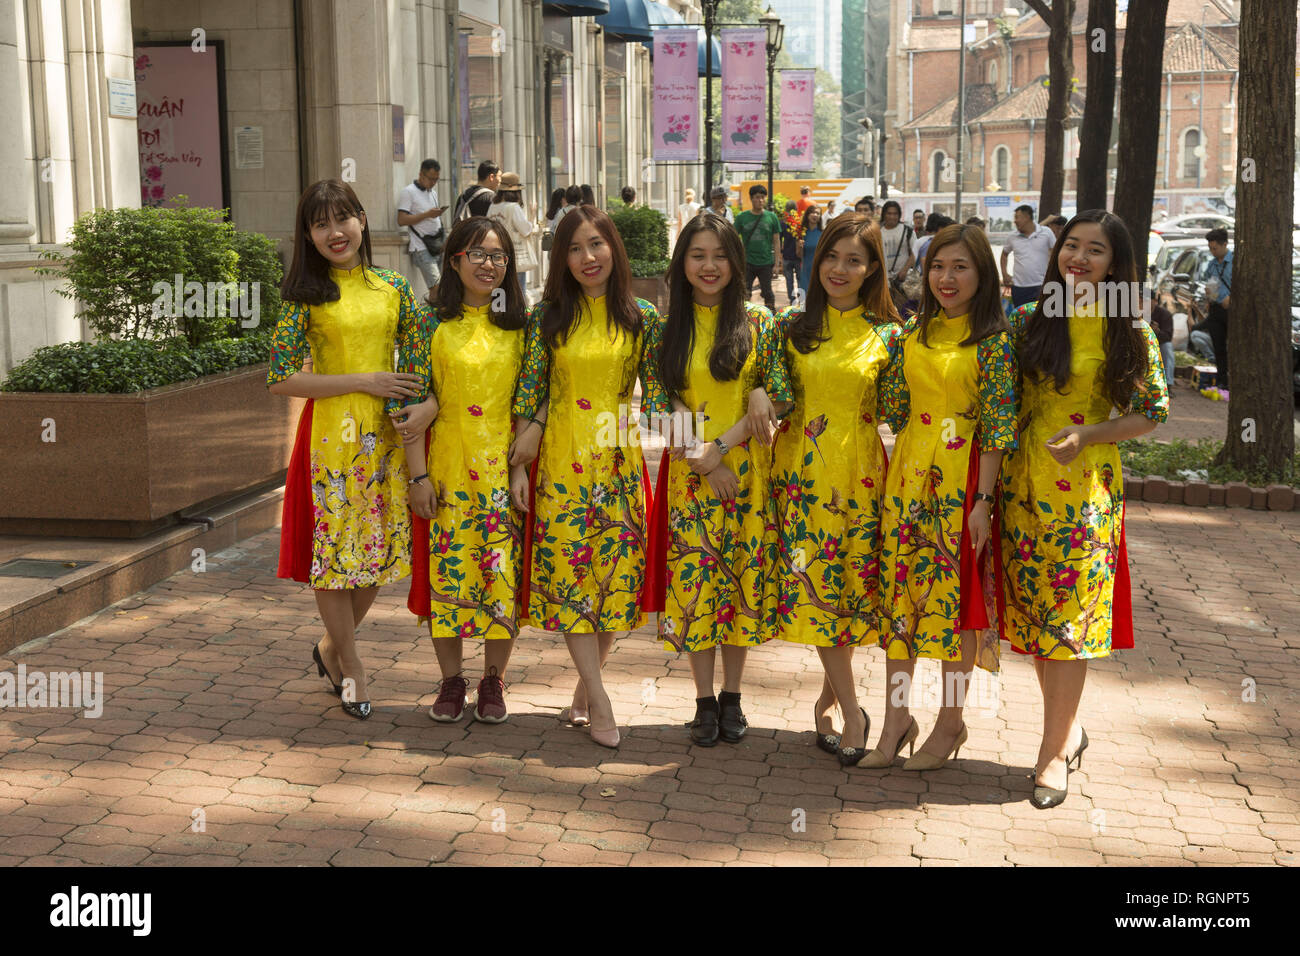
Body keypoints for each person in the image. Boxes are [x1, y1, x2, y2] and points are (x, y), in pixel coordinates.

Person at [999, 210, 1169, 809]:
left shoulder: (1131, 331)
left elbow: (1153, 411)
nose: (1079, 258)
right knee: (1041, 621)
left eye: (1095, 250)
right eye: (1071, 246)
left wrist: (1093, 434)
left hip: (1087, 496)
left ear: (1117, 264)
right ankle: (1067, 734)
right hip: (1023, 495)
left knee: (1071, 622)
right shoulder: (1027, 321)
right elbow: (998, 404)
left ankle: (1050, 757)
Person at [267, 179, 429, 720]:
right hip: (330, 444)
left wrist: (415, 406)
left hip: (385, 442)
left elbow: (420, 363)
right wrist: (364, 380)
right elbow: (281, 378)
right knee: (334, 560)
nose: (334, 232)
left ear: (362, 220)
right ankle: (354, 667)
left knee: (377, 556)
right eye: (321, 224)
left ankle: (330, 648)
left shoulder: (393, 288)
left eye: (343, 219)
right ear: (308, 236)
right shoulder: (304, 296)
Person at [508, 205, 659, 749]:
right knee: (572, 580)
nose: (587, 257)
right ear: (560, 259)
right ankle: (600, 699)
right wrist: (520, 464)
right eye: (574, 248)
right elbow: (530, 393)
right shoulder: (547, 317)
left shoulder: (641, 316)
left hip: (618, 461)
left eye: (595, 244)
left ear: (613, 248)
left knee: (617, 584)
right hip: (561, 465)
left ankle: (582, 689)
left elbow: (665, 395)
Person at [869, 223, 1018, 769]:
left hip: (961, 485)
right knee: (903, 603)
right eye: (937, 266)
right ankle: (894, 720)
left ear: (983, 274)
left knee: (959, 610)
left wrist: (982, 501)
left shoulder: (996, 344)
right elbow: (894, 406)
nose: (946, 278)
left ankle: (951, 722)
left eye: (960, 267)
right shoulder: (912, 333)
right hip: (907, 480)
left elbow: (1000, 427)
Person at [643, 214, 793, 746]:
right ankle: (703, 701)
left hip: (747, 477)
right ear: (682, 263)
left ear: (736, 263)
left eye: (720, 256)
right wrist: (702, 457)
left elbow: (781, 394)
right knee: (697, 585)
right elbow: (659, 403)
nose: (709, 267)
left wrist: (724, 447)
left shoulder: (761, 322)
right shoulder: (663, 329)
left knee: (739, 582)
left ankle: (733, 696)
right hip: (690, 477)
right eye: (698, 256)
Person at [770, 213, 904, 768]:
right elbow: (775, 400)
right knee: (820, 591)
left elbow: (902, 412)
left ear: (873, 268)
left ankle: (831, 699)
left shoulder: (893, 337)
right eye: (831, 257)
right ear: (815, 260)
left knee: (851, 594)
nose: (840, 269)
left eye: (854, 260)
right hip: (800, 479)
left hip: (863, 479)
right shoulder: (791, 329)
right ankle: (853, 711)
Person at [391, 217, 529, 723]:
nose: (488, 265)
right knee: (447, 576)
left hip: (499, 468)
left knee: (498, 575)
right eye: (477, 255)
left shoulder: (520, 322)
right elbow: (411, 402)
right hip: (445, 466)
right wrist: (418, 476)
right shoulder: (429, 320)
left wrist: (520, 468)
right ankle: (451, 680)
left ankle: (493, 681)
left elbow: (530, 401)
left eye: (498, 256)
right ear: (454, 260)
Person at [397, 158, 447, 295]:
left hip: (437, 244)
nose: (433, 183)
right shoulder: (408, 192)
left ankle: (435, 314)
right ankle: (432, 316)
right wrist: (427, 215)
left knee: (443, 286)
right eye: (431, 179)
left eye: (436, 179)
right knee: (435, 288)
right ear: (421, 175)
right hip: (421, 246)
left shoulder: (433, 192)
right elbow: (401, 219)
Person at [486, 172, 538, 298]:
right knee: (518, 290)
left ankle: (501, 314)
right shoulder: (513, 208)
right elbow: (526, 230)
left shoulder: (493, 206)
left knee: (500, 289)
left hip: (496, 254)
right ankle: (519, 315)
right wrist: (532, 214)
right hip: (515, 253)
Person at [735, 184, 782, 313]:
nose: (760, 200)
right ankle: (744, 317)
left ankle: (771, 318)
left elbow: (777, 241)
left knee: (768, 293)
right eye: (757, 197)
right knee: (745, 292)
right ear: (751, 198)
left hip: (766, 262)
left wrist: (777, 263)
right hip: (747, 262)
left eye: (762, 197)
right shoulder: (742, 217)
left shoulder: (771, 217)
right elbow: (733, 238)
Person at [1000, 204, 1055, 308]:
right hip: (1019, 288)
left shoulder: (1046, 233)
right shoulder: (1012, 237)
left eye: (1017, 217)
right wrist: (1004, 274)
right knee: (1021, 320)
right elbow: (1004, 254)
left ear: (1027, 217)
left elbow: (1055, 253)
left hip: (1042, 286)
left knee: (1042, 319)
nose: (1015, 221)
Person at [1201, 227, 1232, 389]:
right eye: (1210, 248)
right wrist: (1209, 293)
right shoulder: (1211, 265)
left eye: (1215, 248)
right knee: (1218, 347)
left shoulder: (1234, 261)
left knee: (1233, 347)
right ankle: (1222, 381)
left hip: (1231, 310)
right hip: (1215, 309)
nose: (1213, 251)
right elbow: (1209, 282)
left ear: (1225, 244)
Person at [879, 200, 916, 310]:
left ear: (899, 215)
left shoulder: (907, 230)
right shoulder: (877, 231)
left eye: (895, 214)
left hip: (902, 281)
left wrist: (904, 270)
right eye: (889, 213)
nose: (892, 216)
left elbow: (915, 252)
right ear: (884, 214)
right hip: (884, 280)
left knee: (905, 310)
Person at [1145, 289, 1176, 388]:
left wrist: (1157, 331)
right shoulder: (1134, 312)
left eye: (1147, 300)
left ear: (1155, 301)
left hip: (1158, 343)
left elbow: (1168, 337)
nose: (1143, 303)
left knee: (1167, 347)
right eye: (1140, 300)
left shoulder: (1164, 314)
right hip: (1140, 343)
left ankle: (1168, 383)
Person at [779, 200, 802, 306]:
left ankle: (792, 300)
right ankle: (801, 300)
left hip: (787, 255)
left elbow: (779, 240)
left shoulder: (783, 223)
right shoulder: (799, 222)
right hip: (798, 256)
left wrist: (780, 253)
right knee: (800, 279)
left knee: (789, 280)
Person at [797, 205, 823, 300]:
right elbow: (799, 255)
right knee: (803, 300)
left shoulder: (823, 233)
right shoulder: (802, 233)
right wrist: (800, 247)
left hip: (819, 270)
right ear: (807, 215)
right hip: (805, 270)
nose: (815, 215)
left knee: (818, 298)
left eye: (818, 213)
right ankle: (803, 315)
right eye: (813, 212)